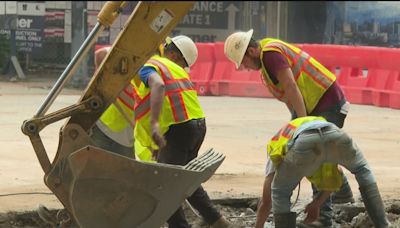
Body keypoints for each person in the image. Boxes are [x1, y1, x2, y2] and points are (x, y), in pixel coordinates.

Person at [224, 29, 354, 226]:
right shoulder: (266, 63)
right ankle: (341, 190)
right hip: (315, 104)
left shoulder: (270, 55)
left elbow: (291, 86)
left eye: (243, 63)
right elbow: (288, 96)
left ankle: (323, 218)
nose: (245, 68)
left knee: (314, 153)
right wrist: (296, 121)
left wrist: (303, 127)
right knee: (316, 152)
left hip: (328, 102)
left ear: (251, 51)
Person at [134, 35, 234, 228]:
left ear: (171, 53)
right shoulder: (177, 71)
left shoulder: (151, 65)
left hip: (179, 129)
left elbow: (158, 85)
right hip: (197, 126)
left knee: (165, 184)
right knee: (185, 179)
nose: (181, 65)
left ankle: (180, 226)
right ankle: (216, 219)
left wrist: (154, 124)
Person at [255, 116, 390, 228]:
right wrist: (316, 204)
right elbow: (335, 176)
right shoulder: (301, 125)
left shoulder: (275, 145)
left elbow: (267, 200)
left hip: (304, 141)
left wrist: (258, 226)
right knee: (362, 171)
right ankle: (383, 225)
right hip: (336, 135)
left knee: (280, 192)